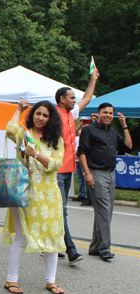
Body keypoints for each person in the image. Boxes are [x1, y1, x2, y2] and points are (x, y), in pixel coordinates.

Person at [4, 100, 66, 294]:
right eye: (37, 113)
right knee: (22, 238)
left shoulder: (56, 139)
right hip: (22, 189)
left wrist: (35, 153)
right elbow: (9, 130)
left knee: (52, 237)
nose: (40, 117)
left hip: (49, 195)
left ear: (51, 119)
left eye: (45, 115)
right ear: (33, 115)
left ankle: (51, 281)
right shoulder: (24, 132)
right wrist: (19, 109)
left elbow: (57, 164)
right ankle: (11, 280)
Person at [54, 69, 99, 265]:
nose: (75, 100)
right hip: (54, 170)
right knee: (61, 210)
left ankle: (53, 245)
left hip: (68, 170)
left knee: (58, 210)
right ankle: (70, 249)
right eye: (72, 97)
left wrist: (93, 79)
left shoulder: (72, 113)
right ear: (62, 98)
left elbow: (87, 98)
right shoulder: (51, 114)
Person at [77, 103, 132, 261]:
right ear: (99, 113)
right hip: (96, 173)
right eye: (105, 112)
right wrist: (87, 173)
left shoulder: (113, 132)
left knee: (106, 212)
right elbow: (81, 152)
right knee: (104, 210)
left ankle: (95, 247)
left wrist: (124, 126)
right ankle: (105, 248)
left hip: (110, 173)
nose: (107, 115)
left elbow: (128, 146)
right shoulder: (89, 130)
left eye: (110, 113)